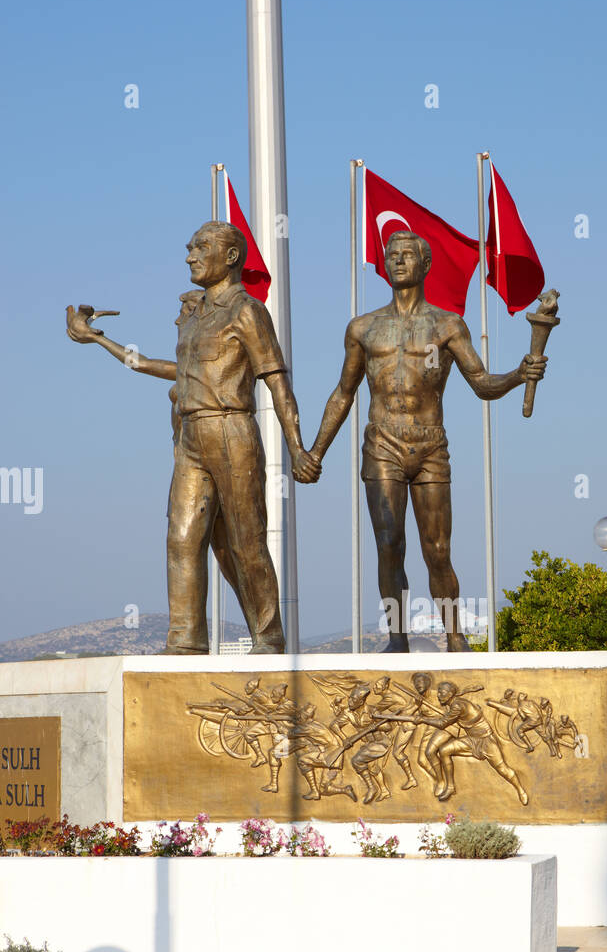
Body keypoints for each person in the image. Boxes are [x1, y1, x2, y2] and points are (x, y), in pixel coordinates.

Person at [66, 222, 319, 654]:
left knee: (245, 539)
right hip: (190, 436)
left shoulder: (248, 312)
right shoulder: (195, 315)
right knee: (182, 537)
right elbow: (150, 365)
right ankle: (186, 642)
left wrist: (297, 448)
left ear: (232, 256)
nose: (190, 256)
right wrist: (98, 339)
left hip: (232, 429)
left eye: (201, 247)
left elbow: (277, 383)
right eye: (189, 248)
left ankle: (269, 637)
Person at [308, 230, 546, 652]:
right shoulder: (363, 328)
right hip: (382, 443)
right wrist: (316, 451)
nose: (398, 260)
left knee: (437, 549)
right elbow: (343, 393)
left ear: (425, 264)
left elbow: (482, 383)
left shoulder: (447, 325)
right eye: (391, 255)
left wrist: (517, 374)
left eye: (407, 255)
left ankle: (455, 637)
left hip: (430, 444)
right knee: (388, 544)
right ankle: (398, 637)